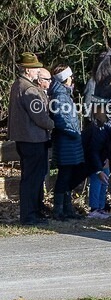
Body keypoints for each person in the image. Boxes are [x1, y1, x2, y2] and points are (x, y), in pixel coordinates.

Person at [7, 52, 55, 225]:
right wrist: (53, 124)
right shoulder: (29, 89)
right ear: (28, 70)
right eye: (35, 69)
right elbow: (40, 117)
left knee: (33, 177)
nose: (37, 71)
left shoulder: (18, 85)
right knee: (32, 179)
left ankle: (35, 210)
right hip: (33, 139)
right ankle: (29, 215)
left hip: (26, 139)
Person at [47, 66, 86, 221]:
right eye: (71, 77)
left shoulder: (64, 94)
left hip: (70, 141)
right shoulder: (60, 96)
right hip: (66, 142)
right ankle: (58, 211)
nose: (73, 80)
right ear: (65, 79)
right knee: (64, 176)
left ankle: (67, 209)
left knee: (68, 176)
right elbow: (61, 121)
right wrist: (75, 135)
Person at [82, 102, 111, 219]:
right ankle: (94, 208)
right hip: (95, 161)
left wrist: (108, 158)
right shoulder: (92, 129)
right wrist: (98, 169)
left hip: (103, 159)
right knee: (97, 181)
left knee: (104, 181)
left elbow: (109, 146)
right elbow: (92, 151)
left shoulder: (106, 128)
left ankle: (101, 207)